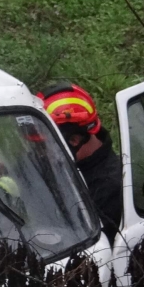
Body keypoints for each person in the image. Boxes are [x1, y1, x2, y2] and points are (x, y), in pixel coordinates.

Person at [39, 83, 123, 244]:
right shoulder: (72, 164)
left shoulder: (110, 188)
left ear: (74, 140)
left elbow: (89, 250)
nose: (42, 154)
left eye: (45, 146)